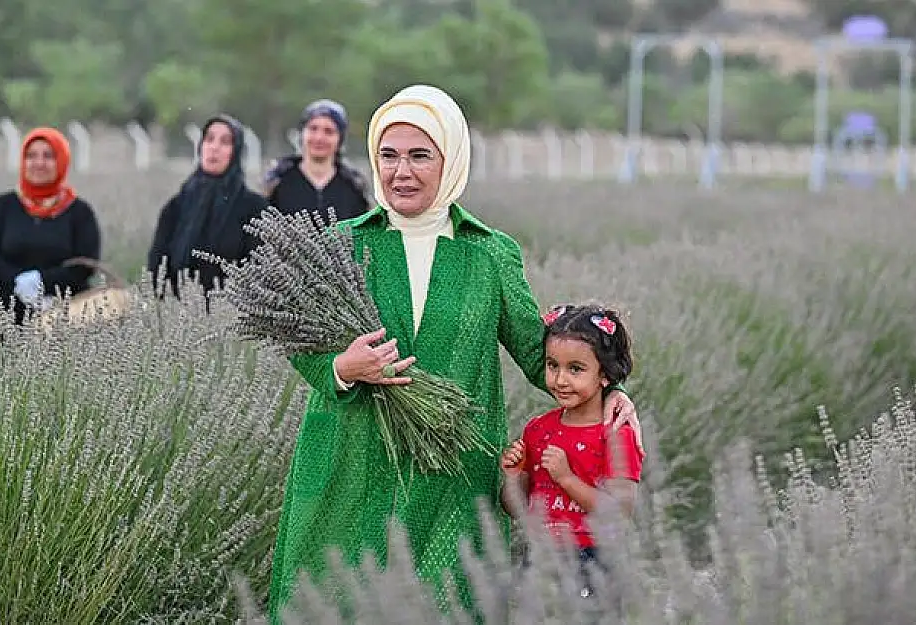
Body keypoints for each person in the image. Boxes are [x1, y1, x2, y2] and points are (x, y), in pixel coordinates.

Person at [266, 85, 641, 621]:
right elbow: (299, 339)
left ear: (452, 160)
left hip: (453, 466)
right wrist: (341, 368)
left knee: (444, 599)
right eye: (389, 156)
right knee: (337, 598)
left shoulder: (490, 253)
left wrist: (611, 393)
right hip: (351, 454)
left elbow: (542, 355)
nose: (402, 172)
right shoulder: (342, 242)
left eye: (421, 156)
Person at [500, 303, 645, 599]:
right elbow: (515, 509)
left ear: (605, 375)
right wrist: (514, 477)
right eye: (553, 365)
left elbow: (619, 512)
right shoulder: (538, 430)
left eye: (575, 369)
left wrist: (567, 479)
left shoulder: (616, 434)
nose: (561, 380)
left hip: (594, 559)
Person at [0, 127, 102, 326]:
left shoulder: (79, 212)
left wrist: (42, 282)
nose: (39, 163)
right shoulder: (2, 206)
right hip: (5, 316)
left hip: (67, 315)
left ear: (61, 161)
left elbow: (85, 264)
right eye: (31, 156)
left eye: (48, 156)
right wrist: (18, 281)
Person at [147, 114, 267, 309]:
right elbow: (157, 269)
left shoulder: (254, 208)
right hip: (180, 321)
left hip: (233, 319)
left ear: (236, 152)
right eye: (209, 139)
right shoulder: (176, 207)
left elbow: (262, 274)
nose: (215, 147)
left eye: (225, 142)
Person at [261, 99, 369, 222]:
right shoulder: (277, 181)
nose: (319, 138)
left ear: (340, 138)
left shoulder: (354, 186)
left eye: (329, 131)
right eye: (313, 128)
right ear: (302, 133)